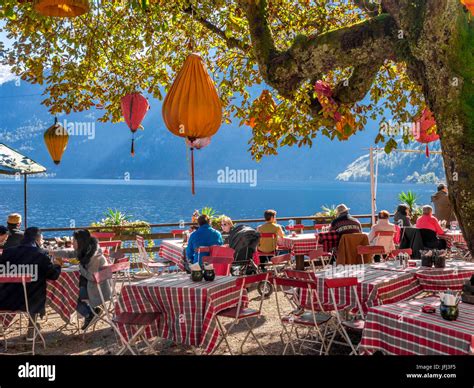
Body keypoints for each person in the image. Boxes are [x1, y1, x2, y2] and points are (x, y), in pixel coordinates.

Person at [0, 227, 61, 340]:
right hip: (31, 303)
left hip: (6, 300)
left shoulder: (7, 252)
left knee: (28, 289)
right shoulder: (41, 254)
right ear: (37, 239)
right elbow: (53, 276)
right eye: (41, 239)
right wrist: (57, 265)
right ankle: (31, 329)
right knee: (34, 291)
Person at [50, 229, 110, 330]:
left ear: (80, 241)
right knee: (69, 289)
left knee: (69, 293)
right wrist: (53, 252)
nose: (72, 242)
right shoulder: (86, 249)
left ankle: (89, 314)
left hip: (97, 289)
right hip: (90, 284)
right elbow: (70, 254)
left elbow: (92, 277)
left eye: (74, 240)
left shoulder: (94, 256)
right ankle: (90, 312)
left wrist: (80, 267)